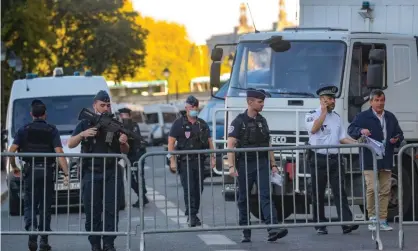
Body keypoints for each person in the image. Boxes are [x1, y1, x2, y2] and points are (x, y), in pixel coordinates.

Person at [67, 90, 129, 251]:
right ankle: (95, 244)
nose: (105, 108)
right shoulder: (85, 123)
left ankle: (109, 243)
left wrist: (123, 142)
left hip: (111, 172)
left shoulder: (115, 124)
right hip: (91, 172)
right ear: (94, 105)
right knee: (92, 210)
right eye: (102, 105)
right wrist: (82, 134)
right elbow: (71, 144)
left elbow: (125, 150)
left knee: (111, 210)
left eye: (108, 105)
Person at [227, 89, 288, 243]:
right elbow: (230, 145)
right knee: (243, 198)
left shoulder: (262, 121)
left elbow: (268, 144)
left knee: (266, 196)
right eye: (260, 102)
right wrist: (231, 166)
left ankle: (273, 228)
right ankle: (245, 231)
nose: (262, 105)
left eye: (262, 102)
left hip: (262, 163)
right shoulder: (238, 121)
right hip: (245, 164)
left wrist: (273, 164)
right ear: (250, 102)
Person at [8, 99, 69, 251]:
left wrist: (14, 166)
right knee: (45, 206)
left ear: (31, 114)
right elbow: (59, 152)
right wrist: (66, 173)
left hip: (30, 171)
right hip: (48, 171)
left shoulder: (23, 130)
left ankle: (32, 231)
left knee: (30, 204)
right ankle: (44, 241)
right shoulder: (52, 130)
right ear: (45, 115)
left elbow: (11, 151)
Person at [305, 86, 359, 235]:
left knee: (340, 192)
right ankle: (320, 225)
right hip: (318, 158)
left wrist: (357, 143)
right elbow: (314, 129)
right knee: (318, 193)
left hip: (335, 159)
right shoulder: (311, 115)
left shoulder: (336, 117)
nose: (333, 101)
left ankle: (346, 222)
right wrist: (323, 112)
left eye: (333, 99)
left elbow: (342, 138)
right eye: (329, 99)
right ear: (322, 100)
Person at [348, 89, 404, 231]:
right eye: (377, 101)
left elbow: (399, 134)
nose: (380, 103)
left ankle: (383, 219)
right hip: (369, 158)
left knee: (385, 189)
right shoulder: (363, 116)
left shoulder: (390, 117)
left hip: (386, 158)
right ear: (371, 102)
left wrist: (396, 139)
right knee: (372, 188)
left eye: (382, 100)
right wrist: (361, 131)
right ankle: (372, 218)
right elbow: (351, 130)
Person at [167, 95, 215, 227]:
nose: (194, 109)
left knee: (198, 188)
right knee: (189, 188)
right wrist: (172, 160)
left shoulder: (202, 124)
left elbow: (209, 141)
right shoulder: (179, 123)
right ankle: (192, 215)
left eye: (195, 107)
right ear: (186, 108)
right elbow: (171, 142)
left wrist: (213, 157)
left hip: (199, 161)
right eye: (191, 107)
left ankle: (193, 212)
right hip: (185, 162)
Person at [118, 107, 149, 208]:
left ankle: (142, 197)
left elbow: (131, 137)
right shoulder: (121, 125)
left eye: (125, 115)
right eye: (121, 115)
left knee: (139, 176)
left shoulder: (133, 125)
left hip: (137, 154)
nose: (123, 117)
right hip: (130, 155)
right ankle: (142, 195)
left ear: (129, 116)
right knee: (130, 179)